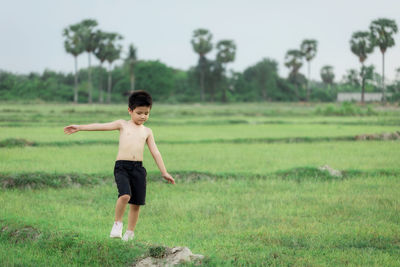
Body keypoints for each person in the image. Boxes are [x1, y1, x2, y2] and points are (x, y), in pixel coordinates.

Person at [63, 90, 175, 241]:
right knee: (125, 195)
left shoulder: (148, 131)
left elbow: (155, 152)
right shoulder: (122, 124)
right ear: (130, 111)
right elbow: (101, 126)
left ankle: (129, 234)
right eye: (139, 112)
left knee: (136, 204)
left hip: (139, 169)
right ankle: (117, 224)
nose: (143, 116)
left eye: (146, 113)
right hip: (122, 167)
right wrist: (80, 127)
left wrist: (164, 172)